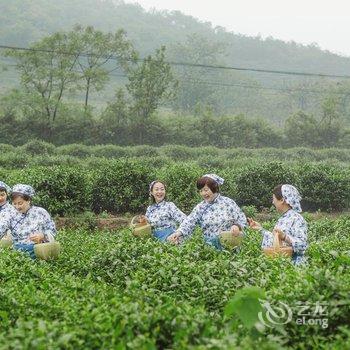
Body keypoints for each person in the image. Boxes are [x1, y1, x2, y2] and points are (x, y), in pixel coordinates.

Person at [167, 174, 247, 250]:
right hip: (209, 246)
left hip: (229, 244)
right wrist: (178, 233)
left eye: (206, 190)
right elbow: (189, 221)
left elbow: (241, 219)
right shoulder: (201, 207)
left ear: (214, 188)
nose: (203, 193)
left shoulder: (228, 202)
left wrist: (237, 226)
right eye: (201, 191)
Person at [248, 184, 307, 265]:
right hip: (281, 263)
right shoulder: (283, 218)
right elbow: (275, 239)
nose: (273, 202)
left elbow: (303, 245)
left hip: (294, 266)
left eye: (274, 199)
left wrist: (285, 237)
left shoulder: (296, 218)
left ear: (282, 200)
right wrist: (260, 229)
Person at [0, 184, 57, 259]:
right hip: (18, 252)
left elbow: (52, 230)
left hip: (39, 250)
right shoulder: (9, 213)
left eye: (20, 203)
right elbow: (1, 228)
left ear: (28, 200)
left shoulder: (40, 212)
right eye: (14, 203)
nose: (17, 207)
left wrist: (43, 236)